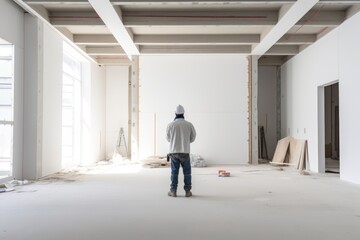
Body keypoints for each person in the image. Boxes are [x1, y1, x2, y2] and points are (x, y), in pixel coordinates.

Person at [166, 105, 196, 197]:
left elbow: (168, 139)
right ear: (183, 113)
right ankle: (187, 191)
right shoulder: (189, 124)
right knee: (187, 173)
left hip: (174, 152)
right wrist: (186, 142)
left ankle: (173, 191)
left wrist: (175, 141)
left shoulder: (170, 125)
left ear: (175, 113)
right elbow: (193, 137)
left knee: (174, 172)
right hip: (185, 151)